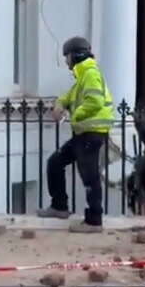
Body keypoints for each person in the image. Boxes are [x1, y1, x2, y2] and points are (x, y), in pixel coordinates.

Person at [37, 36, 115, 233]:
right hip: (83, 133)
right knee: (55, 162)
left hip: (92, 132)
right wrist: (61, 104)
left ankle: (94, 221)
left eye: (67, 56)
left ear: (76, 55)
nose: (66, 61)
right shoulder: (83, 75)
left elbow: (94, 102)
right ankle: (59, 206)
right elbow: (71, 95)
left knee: (89, 176)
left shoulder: (90, 73)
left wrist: (75, 115)